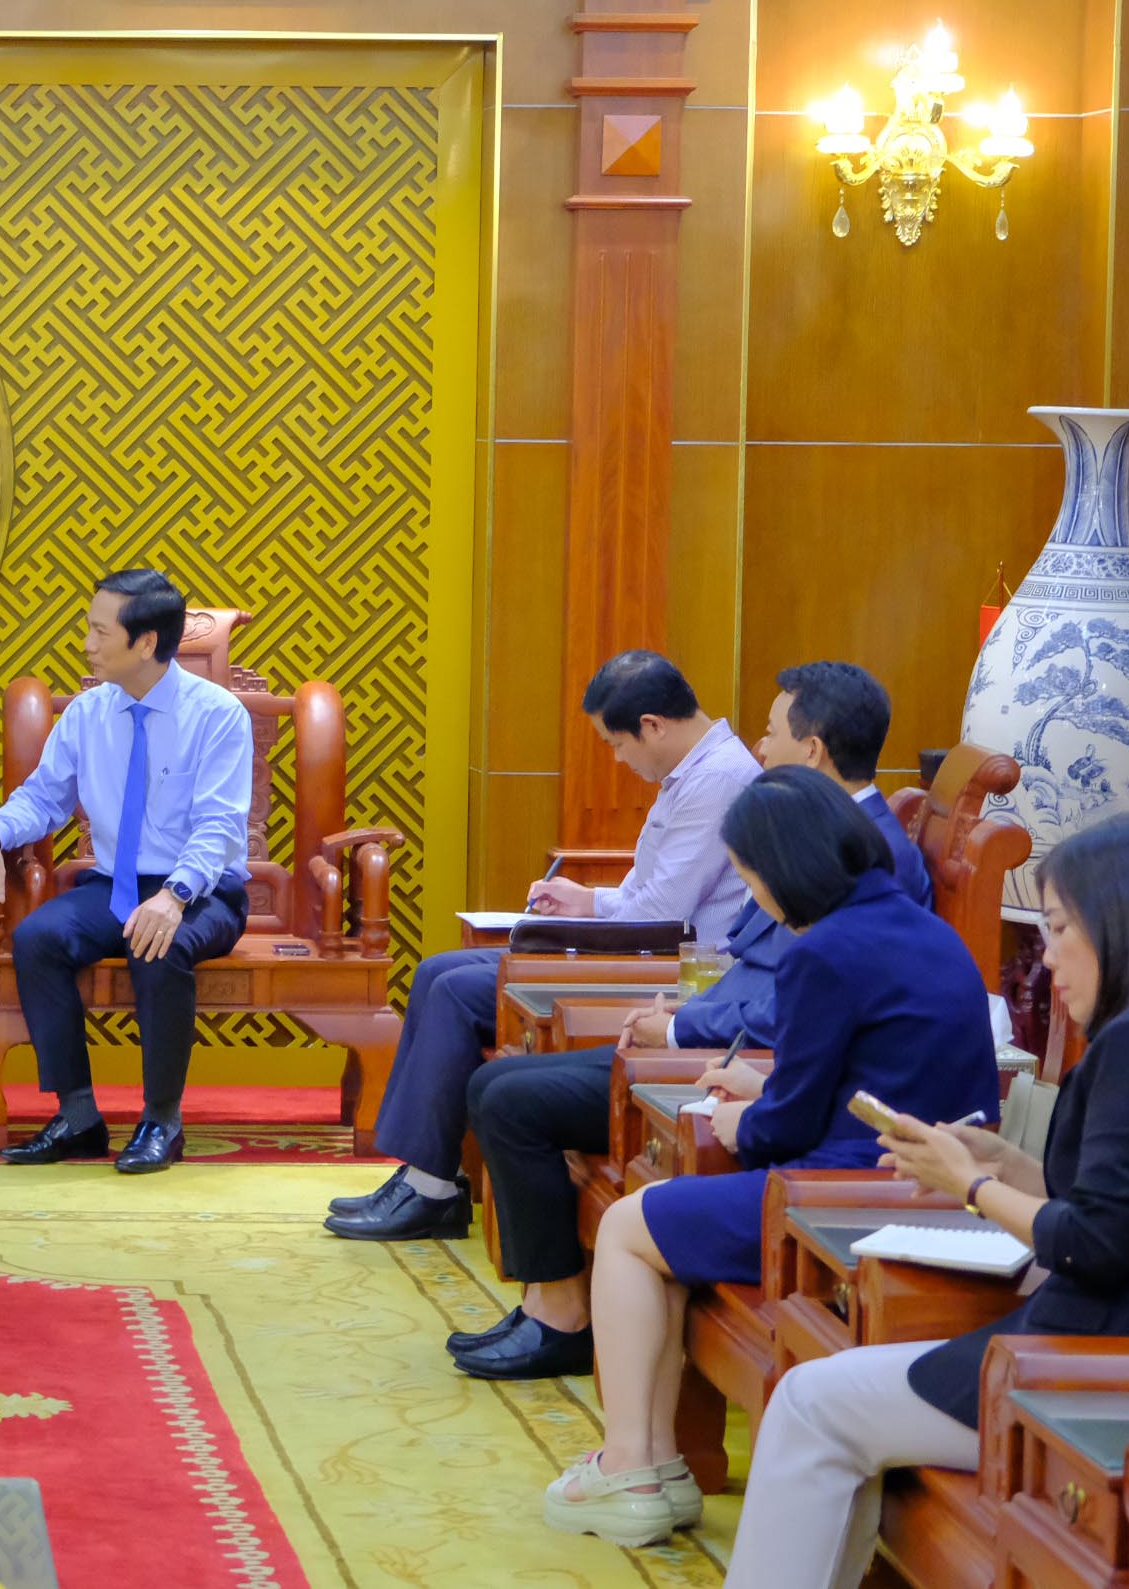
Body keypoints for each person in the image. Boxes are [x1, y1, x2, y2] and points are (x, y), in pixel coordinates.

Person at [718, 810, 1129, 1587]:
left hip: (1100, 1363)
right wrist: (1008, 1164)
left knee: (811, 1403)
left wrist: (971, 1187)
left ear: (1121, 923)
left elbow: (1096, 1241)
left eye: (1056, 929)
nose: (1045, 959)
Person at [541, 766, 997, 1548]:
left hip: (842, 1194)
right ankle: (657, 1466)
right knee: (664, 1233)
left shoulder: (825, 948)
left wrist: (741, 1114)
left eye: (750, 875)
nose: (754, 896)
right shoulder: (924, 928)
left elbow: (784, 1130)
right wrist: (767, 1084)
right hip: (930, 1188)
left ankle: (628, 1463)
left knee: (626, 1225)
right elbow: (869, 1072)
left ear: (783, 865)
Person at [452, 659, 929, 1380]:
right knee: (505, 1084)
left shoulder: (871, 854)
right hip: (713, 1031)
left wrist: (680, 1032)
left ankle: (561, 1319)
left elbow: (802, 1002)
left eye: (770, 734)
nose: (759, 750)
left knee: (514, 1098)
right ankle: (552, 1304)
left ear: (815, 748)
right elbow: (749, 959)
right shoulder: (814, 829)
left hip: (748, 1066)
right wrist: (681, 1012)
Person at [329, 651, 759, 1240]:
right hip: (643, 943)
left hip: (672, 969)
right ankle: (424, 1176)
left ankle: (433, 1191)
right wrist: (589, 902)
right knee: (436, 972)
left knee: (457, 992)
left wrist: (590, 921)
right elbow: (648, 896)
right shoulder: (690, 770)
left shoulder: (717, 781)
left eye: (618, 744)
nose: (619, 758)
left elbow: (660, 915)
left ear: (653, 725)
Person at [0, 568, 254, 1174]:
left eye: (100, 632)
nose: (88, 644)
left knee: (157, 943)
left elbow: (219, 828)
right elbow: (42, 799)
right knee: (37, 938)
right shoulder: (88, 714)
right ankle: (77, 1117)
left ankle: (161, 1122)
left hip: (203, 891)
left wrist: (174, 897)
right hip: (118, 885)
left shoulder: (219, 716)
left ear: (145, 642)